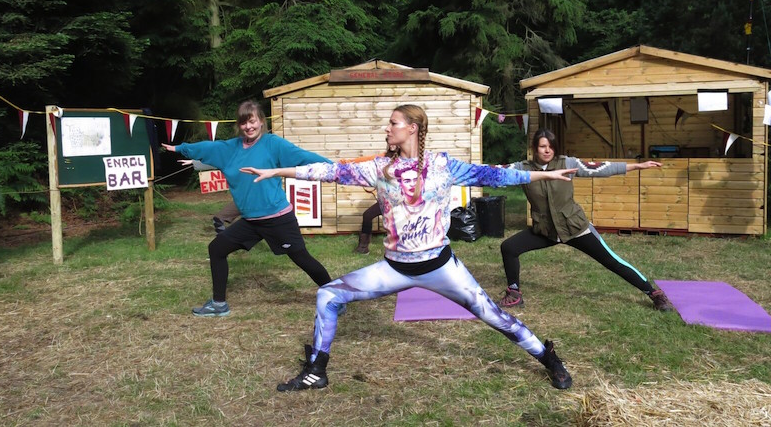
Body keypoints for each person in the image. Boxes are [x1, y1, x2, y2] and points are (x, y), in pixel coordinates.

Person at [241, 104, 579, 391]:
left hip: (441, 268)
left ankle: (548, 357)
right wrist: (276, 171)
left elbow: (493, 175)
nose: (387, 128)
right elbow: (329, 171)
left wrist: (545, 176)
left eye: (393, 123)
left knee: (493, 315)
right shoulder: (379, 169)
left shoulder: (443, 166)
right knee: (328, 295)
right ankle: (316, 371)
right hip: (394, 269)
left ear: (412, 129)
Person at [162, 100, 334, 317]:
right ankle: (218, 304)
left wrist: (334, 167)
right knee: (216, 249)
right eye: (244, 123)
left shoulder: (272, 144)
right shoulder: (231, 149)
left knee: (301, 258)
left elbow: (303, 157)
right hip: (251, 221)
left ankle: (335, 297)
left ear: (261, 121)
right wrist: (180, 148)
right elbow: (207, 148)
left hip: (277, 218)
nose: (248, 127)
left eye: (252, 121)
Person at [498, 128, 673, 312]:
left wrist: (636, 166)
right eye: (543, 146)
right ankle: (514, 294)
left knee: (611, 261)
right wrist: (466, 171)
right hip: (545, 230)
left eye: (551, 146)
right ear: (535, 148)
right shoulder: (522, 169)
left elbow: (599, 168)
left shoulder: (567, 163)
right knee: (509, 247)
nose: (547, 150)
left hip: (575, 228)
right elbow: (493, 172)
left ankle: (654, 294)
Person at [353, 142, 397, 254]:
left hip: (400, 201)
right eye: (389, 142)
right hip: (385, 200)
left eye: (394, 143)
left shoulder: (404, 158)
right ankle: (363, 248)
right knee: (367, 215)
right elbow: (364, 161)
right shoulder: (382, 158)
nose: (391, 144)